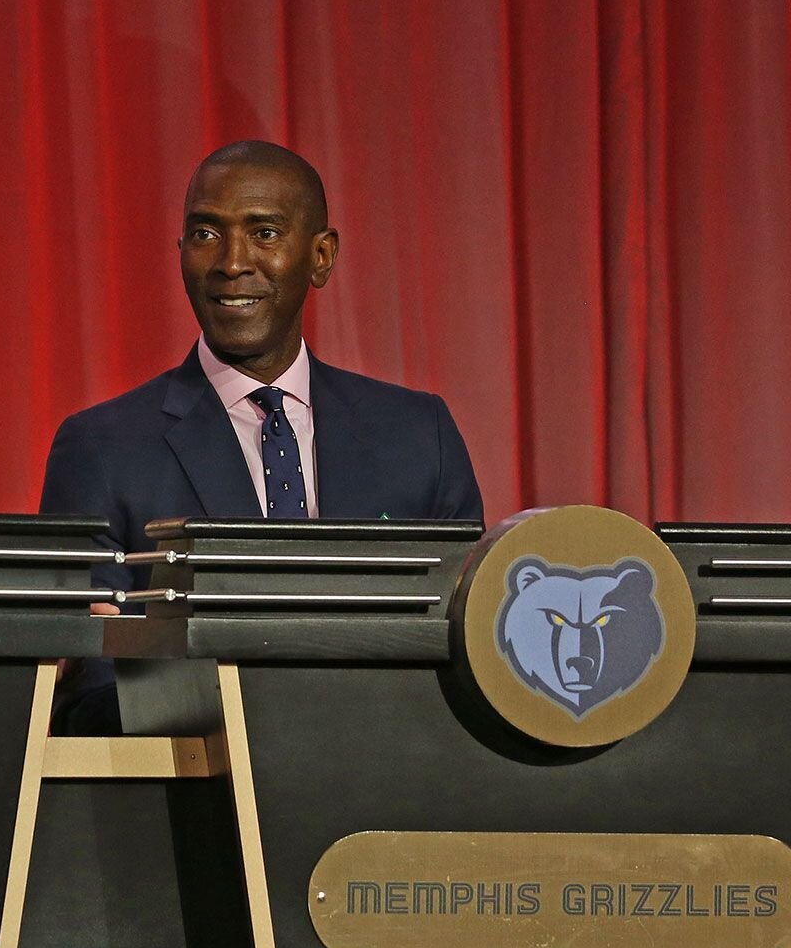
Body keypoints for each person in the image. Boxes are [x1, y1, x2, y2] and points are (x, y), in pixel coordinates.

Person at [40, 140, 485, 732]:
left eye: (265, 233)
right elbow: (84, 684)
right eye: (205, 234)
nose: (231, 262)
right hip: (198, 793)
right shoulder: (102, 447)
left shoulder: (416, 435)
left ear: (321, 256)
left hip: (390, 786)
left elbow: (470, 642)